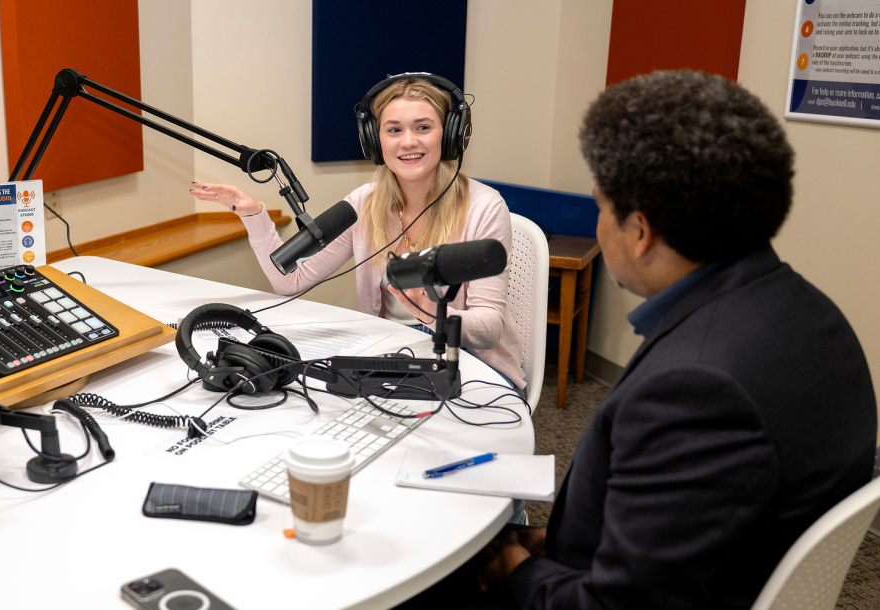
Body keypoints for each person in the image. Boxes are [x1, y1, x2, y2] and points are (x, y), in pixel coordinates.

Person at [400, 70, 878, 610]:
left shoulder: (696, 387)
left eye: (601, 206)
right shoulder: (811, 314)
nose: (600, 225)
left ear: (641, 231)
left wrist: (516, 572)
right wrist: (554, 548)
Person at [190, 74, 526, 392]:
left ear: (451, 134)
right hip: (391, 350)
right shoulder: (364, 204)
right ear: (374, 141)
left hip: (468, 359)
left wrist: (433, 314)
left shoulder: (484, 207)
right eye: (393, 129)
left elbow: (489, 326)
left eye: (423, 127)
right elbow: (289, 282)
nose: (408, 141)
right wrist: (254, 215)